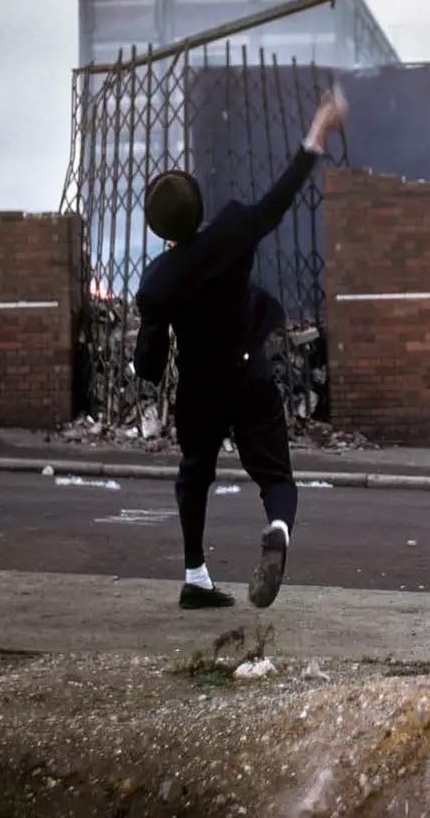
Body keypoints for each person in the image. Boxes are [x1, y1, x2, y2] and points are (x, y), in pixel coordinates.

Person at [134, 85, 350, 611]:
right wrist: (317, 131)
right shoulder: (230, 232)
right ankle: (277, 527)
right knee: (276, 476)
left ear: (156, 226)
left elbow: (149, 365)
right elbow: (279, 199)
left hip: (200, 390)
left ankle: (195, 576)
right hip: (248, 375)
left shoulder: (157, 282)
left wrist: (156, 320)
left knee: (194, 476)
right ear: (199, 207)